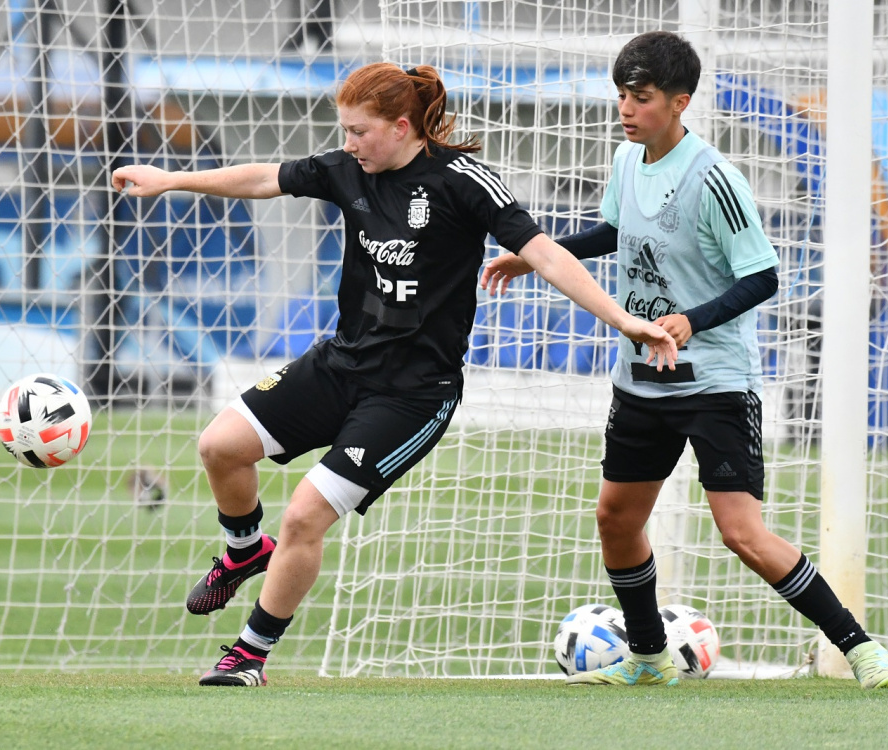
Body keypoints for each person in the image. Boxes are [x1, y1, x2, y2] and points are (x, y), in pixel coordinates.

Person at [112, 62, 677, 686]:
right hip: (341, 363)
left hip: (412, 396)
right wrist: (172, 179)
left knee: (303, 515)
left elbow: (544, 254)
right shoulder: (348, 169)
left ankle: (248, 656)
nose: (348, 144)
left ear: (401, 127)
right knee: (219, 445)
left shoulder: (463, 182)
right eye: (345, 132)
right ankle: (246, 551)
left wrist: (624, 321)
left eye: (359, 132)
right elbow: (264, 178)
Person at [481, 31, 888, 689]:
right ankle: (649, 658)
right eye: (622, 95)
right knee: (616, 519)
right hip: (642, 380)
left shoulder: (714, 177)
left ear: (679, 102)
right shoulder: (627, 160)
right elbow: (616, 231)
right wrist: (539, 254)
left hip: (714, 383)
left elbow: (763, 275)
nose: (626, 108)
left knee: (742, 534)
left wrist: (692, 319)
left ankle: (861, 649)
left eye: (641, 97)